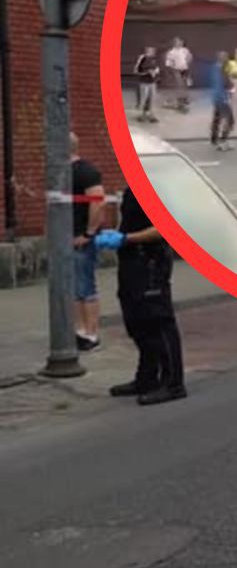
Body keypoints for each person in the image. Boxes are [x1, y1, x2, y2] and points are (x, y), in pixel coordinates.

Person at [94, 182, 185, 405]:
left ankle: (173, 383)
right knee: (137, 320)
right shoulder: (134, 185)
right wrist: (117, 235)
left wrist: (127, 238)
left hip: (150, 260)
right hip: (131, 259)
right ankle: (147, 377)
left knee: (158, 320)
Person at [70, 133, 106, 352]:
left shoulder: (86, 171)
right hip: (67, 238)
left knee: (85, 286)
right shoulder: (61, 173)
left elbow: (98, 202)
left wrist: (89, 233)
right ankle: (79, 331)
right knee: (74, 288)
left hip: (81, 238)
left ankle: (91, 334)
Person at [208, 51, 234, 151]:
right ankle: (223, 141)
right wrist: (231, 87)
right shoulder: (223, 70)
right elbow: (227, 84)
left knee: (217, 119)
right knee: (230, 120)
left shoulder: (214, 68)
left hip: (216, 96)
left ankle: (214, 139)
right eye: (226, 58)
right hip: (222, 97)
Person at [133, 46, 161, 122]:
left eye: (153, 51)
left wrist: (155, 72)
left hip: (152, 82)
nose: (152, 52)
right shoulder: (142, 58)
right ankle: (142, 115)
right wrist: (147, 72)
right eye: (150, 51)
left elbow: (157, 69)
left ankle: (151, 115)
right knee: (143, 99)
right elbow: (136, 71)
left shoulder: (154, 59)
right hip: (144, 82)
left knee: (152, 99)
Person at [164, 37, 191, 112]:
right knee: (179, 85)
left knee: (185, 85)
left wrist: (187, 63)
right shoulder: (171, 52)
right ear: (174, 43)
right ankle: (178, 102)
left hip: (185, 70)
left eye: (181, 42)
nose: (180, 43)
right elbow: (168, 63)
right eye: (178, 42)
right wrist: (173, 69)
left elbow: (189, 58)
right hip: (176, 70)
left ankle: (183, 99)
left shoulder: (185, 50)